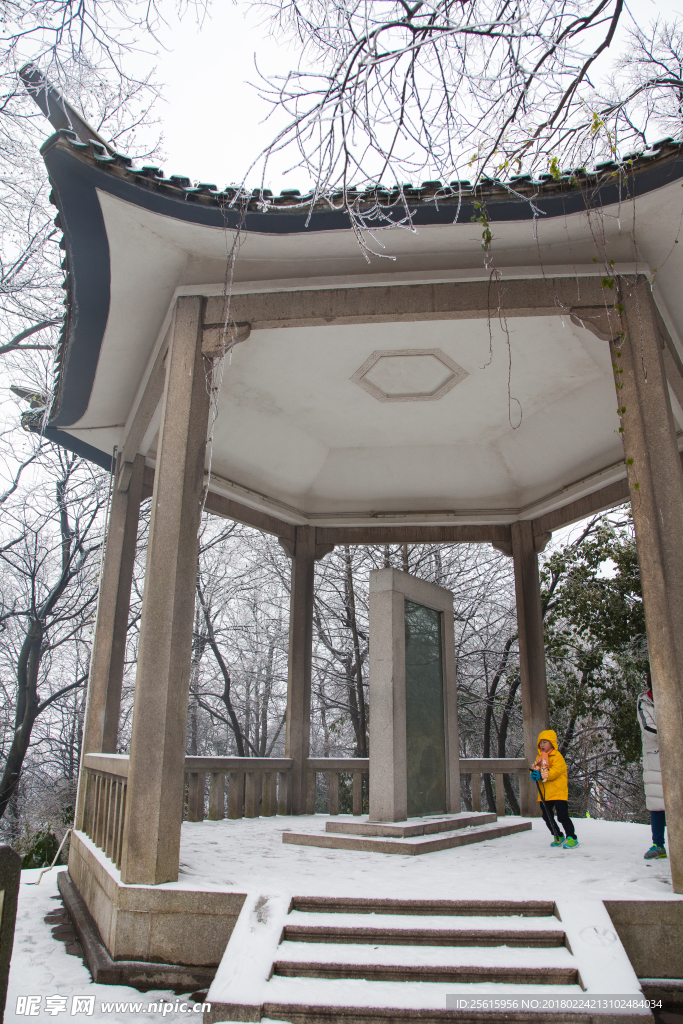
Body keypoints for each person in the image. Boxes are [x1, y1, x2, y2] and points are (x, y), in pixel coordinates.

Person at [529, 730, 578, 849]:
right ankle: (557, 835)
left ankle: (571, 837)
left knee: (562, 816)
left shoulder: (557, 757)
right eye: (540, 743)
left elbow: (555, 772)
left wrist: (542, 775)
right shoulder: (540, 758)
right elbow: (534, 768)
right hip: (545, 794)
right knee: (547, 817)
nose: (542, 745)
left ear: (552, 743)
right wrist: (534, 773)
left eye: (545, 742)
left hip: (558, 792)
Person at [637, 683, 666, 860]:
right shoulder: (644, 703)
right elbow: (649, 729)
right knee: (657, 804)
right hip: (655, 759)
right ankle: (658, 844)